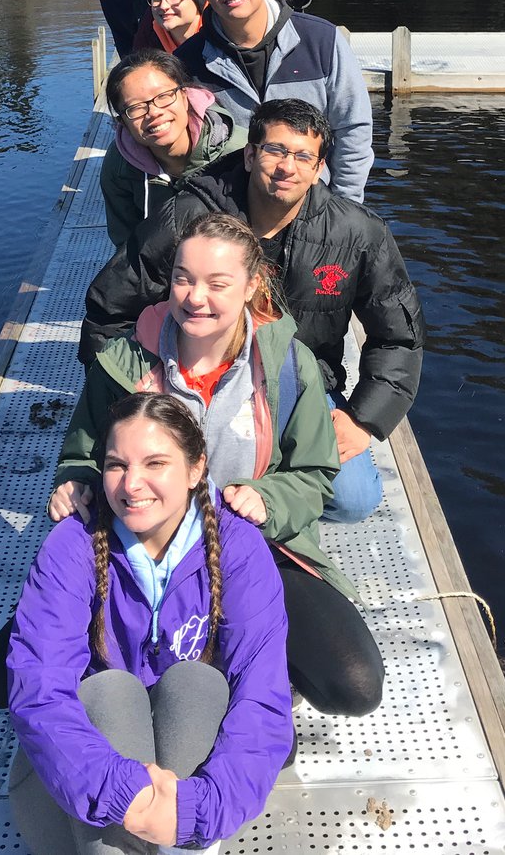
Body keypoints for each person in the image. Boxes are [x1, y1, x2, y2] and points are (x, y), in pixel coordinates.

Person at [52, 212, 385, 720]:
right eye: (183, 278)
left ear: (252, 285)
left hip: (254, 548)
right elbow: (83, 453)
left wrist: (268, 499)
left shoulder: (289, 367)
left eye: (218, 283)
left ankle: (248, 668)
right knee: (2, 678)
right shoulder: (123, 363)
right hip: (140, 550)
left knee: (354, 686)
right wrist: (75, 484)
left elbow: (315, 475)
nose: (195, 297)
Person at [80, 99, 425, 525]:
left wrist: (364, 420)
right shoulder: (191, 215)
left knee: (353, 500)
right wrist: (120, 393)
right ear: (249, 154)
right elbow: (111, 302)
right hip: (193, 378)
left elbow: (398, 336)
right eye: (275, 150)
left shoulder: (358, 234)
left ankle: (267, 486)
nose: (287, 167)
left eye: (303, 156)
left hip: (301, 386)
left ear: (319, 168)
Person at [7, 393, 293, 855]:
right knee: (109, 690)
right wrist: (129, 796)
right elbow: (39, 686)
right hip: (81, 776)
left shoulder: (239, 548)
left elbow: (263, 695)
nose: (131, 484)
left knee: (200, 684)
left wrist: (198, 811)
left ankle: (184, 844)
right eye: (117, 465)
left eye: (155, 463)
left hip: (186, 751)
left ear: (196, 469)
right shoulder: (72, 545)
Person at [174, 0, 374, 202]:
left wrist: (345, 205)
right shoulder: (187, 62)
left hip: (315, 202)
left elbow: (353, 127)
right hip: (230, 209)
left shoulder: (323, 40)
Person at [100, 52, 246, 249]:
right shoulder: (119, 165)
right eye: (135, 107)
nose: (154, 112)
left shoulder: (240, 151)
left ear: (185, 96)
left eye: (163, 96)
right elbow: (126, 242)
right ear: (122, 122)